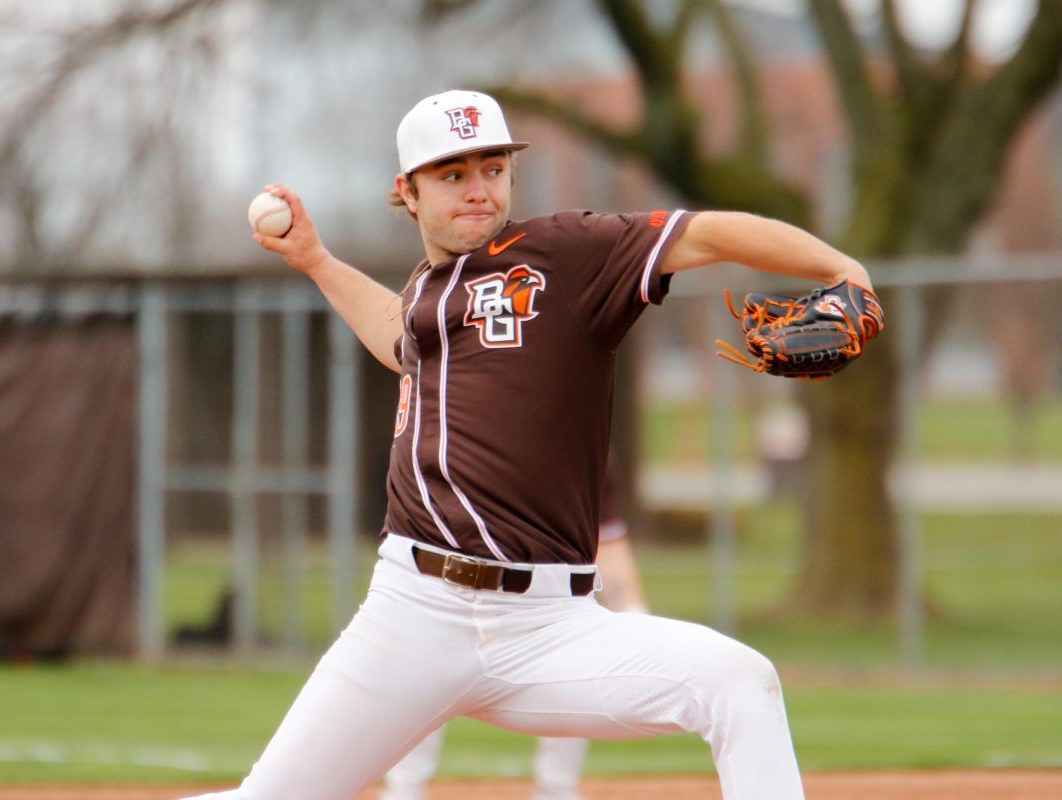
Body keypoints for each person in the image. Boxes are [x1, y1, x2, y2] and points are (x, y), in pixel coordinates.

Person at [181, 89, 876, 800]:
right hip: (415, 616)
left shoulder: (566, 254)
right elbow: (401, 338)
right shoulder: (430, 290)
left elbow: (712, 233)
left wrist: (840, 271)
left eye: (493, 168)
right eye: (452, 175)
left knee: (740, 681)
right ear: (408, 193)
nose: (479, 190)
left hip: (551, 628)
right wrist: (317, 260)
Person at [380, 468, 646, 800]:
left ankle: (557, 790)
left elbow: (608, 542)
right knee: (421, 673)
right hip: (457, 595)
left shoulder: (588, 452)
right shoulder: (471, 445)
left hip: (547, 607)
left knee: (576, 667)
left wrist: (634, 612)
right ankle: (404, 790)